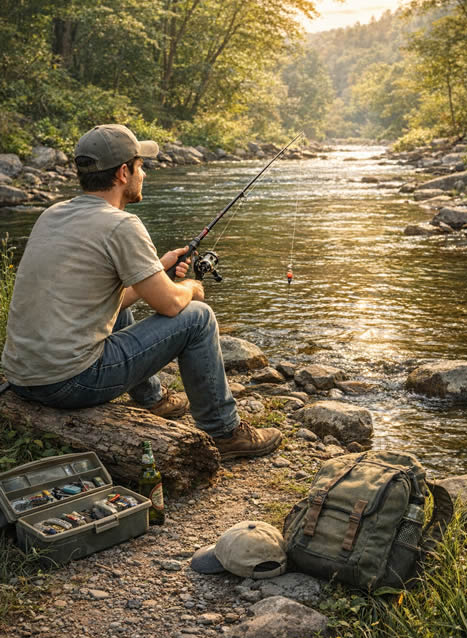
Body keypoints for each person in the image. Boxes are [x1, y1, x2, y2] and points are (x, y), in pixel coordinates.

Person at [1, 124, 282, 462]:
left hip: (22, 376)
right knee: (198, 317)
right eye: (140, 165)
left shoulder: (52, 214)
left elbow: (107, 299)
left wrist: (157, 267)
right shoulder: (122, 225)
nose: (143, 173)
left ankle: (153, 400)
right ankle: (224, 432)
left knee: (117, 302)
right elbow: (170, 303)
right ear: (123, 173)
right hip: (70, 384)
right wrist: (191, 287)